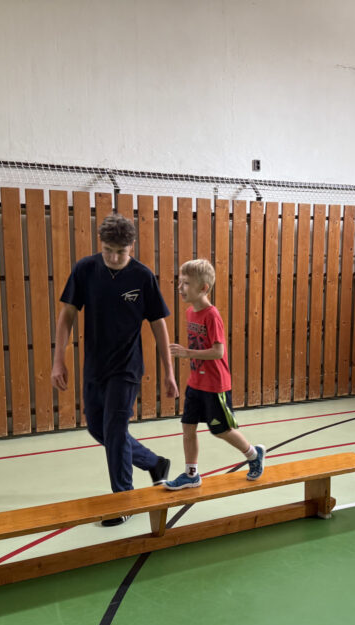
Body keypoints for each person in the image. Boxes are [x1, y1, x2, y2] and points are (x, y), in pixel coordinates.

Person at [51, 214, 178, 525]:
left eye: (121, 251)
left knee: (116, 431)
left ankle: (123, 500)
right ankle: (154, 462)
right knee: (98, 428)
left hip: (126, 368)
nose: (114, 257)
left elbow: (158, 325)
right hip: (95, 365)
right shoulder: (85, 269)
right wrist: (58, 360)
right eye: (108, 250)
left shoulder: (142, 276)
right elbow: (67, 315)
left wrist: (169, 372)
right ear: (101, 244)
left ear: (131, 246)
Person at [163, 259, 264, 490]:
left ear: (203, 288)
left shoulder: (212, 315)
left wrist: (187, 353)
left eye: (186, 283)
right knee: (188, 427)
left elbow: (218, 351)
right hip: (195, 383)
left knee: (221, 431)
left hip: (215, 385)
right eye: (180, 282)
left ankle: (253, 454)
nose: (180, 287)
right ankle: (191, 474)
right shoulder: (190, 312)